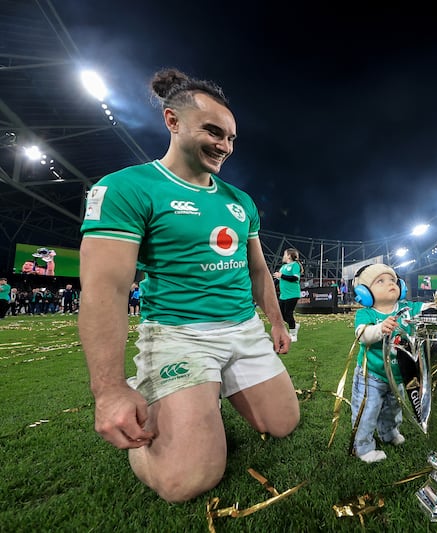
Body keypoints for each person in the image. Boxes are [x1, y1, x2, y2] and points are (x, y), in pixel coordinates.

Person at [78, 68, 300, 502]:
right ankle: (177, 401)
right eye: (214, 132)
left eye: (232, 138)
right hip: (180, 336)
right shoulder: (127, 188)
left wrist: (275, 322)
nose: (225, 146)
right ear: (172, 121)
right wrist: (107, 390)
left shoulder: (240, 201)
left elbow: (258, 271)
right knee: (185, 482)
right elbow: (105, 289)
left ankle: (201, 397)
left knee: (283, 424)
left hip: (243, 331)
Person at [350, 263, 424, 463]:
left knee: (394, 406)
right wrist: (381, 328)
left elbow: (428, 309)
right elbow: (363, 336)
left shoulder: (409, 309)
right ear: (364, 293)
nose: (389, 283)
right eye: (380, 281)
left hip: (398, 374)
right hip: (371, 375)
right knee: (368, 408)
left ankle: (388, 433)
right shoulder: (366, 314)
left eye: (392, 280)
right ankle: (363, 447)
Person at [272, 248, 302, 342]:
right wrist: (271, 286)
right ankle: (294, 325)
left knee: (288, 314)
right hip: (283, 295)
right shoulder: (283, 267)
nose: (283, 256)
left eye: (285, 254)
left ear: (289, 255)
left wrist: (281, 276)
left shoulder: (295, 265)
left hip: (293, 294)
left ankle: (293, 335)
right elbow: (278, 280)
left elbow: (294, 278)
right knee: (281, 315)